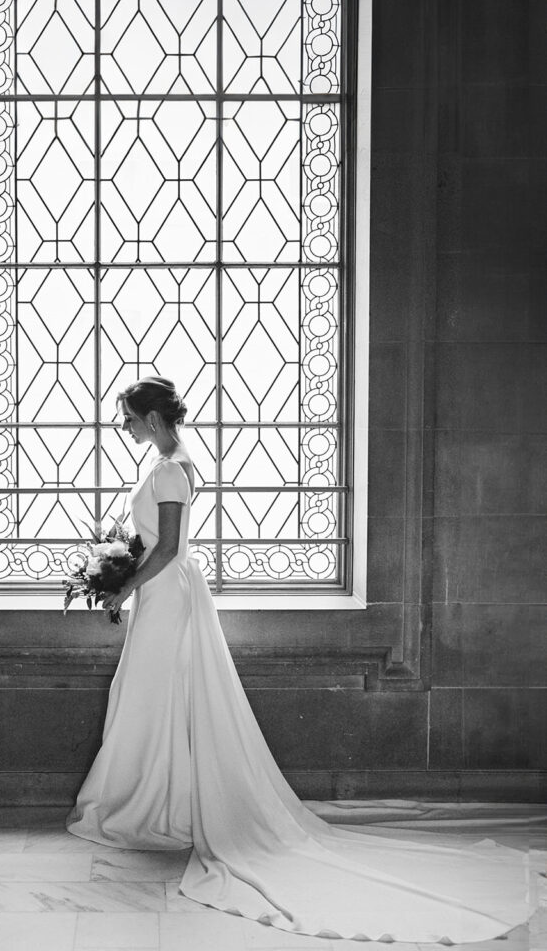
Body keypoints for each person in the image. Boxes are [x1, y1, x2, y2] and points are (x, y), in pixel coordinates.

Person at [66, 376, 532, 943]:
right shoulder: (185, 462)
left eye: (129, 418)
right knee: (161, 693)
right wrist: (121, 566)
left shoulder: (167, 469)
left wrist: (120, 587)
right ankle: (161, 798)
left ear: (154, 419)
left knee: (151, 693)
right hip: (173, 588)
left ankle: (149, 804)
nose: (125, 427)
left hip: (166, 590)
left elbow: (166, 546)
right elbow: (164, 544)